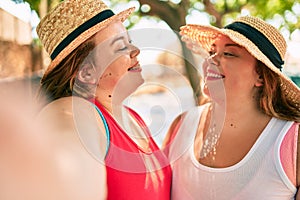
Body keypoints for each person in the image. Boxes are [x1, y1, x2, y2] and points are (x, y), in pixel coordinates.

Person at [35, 0, 171, 199]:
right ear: (87, 72)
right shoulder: (76, 113)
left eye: (129, 40)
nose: (136, 50)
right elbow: (67, 145)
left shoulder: (133, 117)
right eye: (120, 46)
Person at [164, 15, 300, 199]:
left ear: (260, 75)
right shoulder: (180, 127)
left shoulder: (292, 143)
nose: (211, 60)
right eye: (212, 51)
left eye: (229, 53)